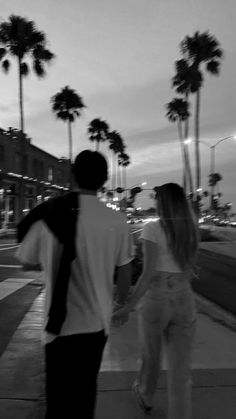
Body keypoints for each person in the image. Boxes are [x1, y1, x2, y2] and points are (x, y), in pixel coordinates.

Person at [16, 150, 133, 419]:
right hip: (97, 325)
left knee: (57, 402)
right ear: (103, 179)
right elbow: (125, 270)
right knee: (85, 396)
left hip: (58, 328)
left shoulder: (51, 214)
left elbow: (25, 261)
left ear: (73, 176)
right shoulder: (116, 220)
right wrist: (120, 305)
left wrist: (51, 259)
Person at [113, 182, 199, 418]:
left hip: (157, 298)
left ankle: (146, 395)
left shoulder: (152, 229)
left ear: (164, 203)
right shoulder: (191, 228)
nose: (156, 204)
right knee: (181, 372)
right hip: (184, 298)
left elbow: (148, 273)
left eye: (158, 200)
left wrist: (128, 306)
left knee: (151, 356)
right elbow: (189, 269)